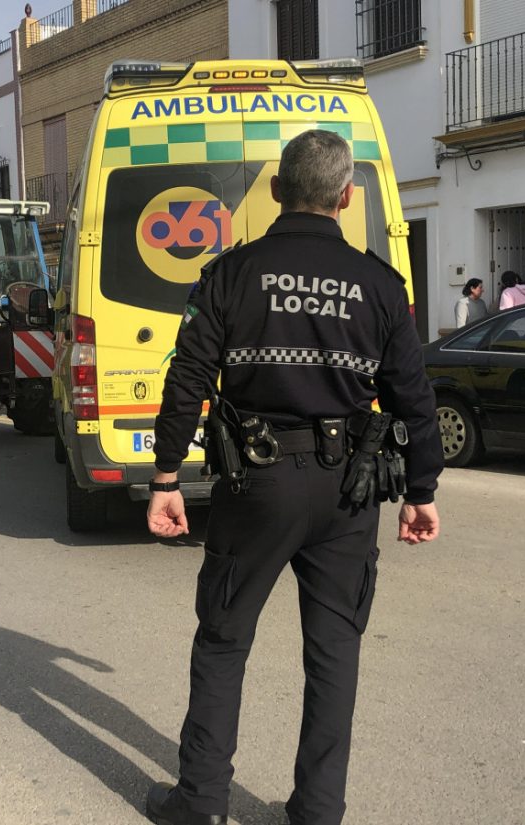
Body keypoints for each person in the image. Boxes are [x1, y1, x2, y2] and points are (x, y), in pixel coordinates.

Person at [145, 130, 443, 825]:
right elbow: (414, 396)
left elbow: (186, 379)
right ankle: (317, 812)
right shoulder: (379, 284)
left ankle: (203, 803)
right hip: (348, 491)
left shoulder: (229, 274)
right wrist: (421, 492)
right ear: (346, 197)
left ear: (276, 190)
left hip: (257, 483)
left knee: (223, 638)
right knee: (335, 652)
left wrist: (165, 476)